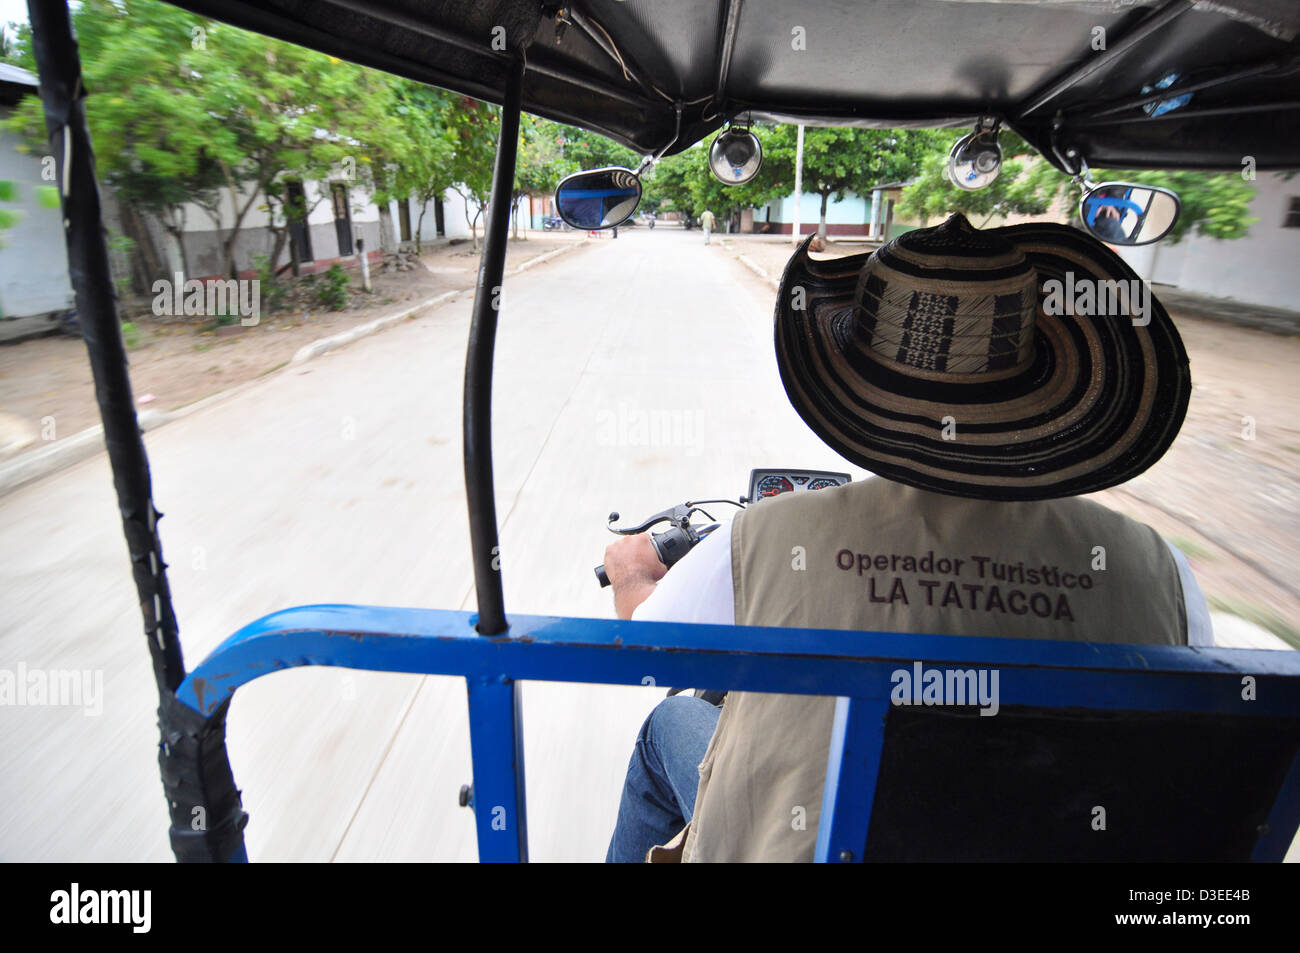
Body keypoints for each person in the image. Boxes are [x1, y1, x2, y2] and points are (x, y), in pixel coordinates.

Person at [602, 213, 1209, 863]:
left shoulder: (766, 537)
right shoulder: (1160, 572)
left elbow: (650, 650)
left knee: (669, 723)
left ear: (858, 386)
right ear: (1043, 392)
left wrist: (636, 572)